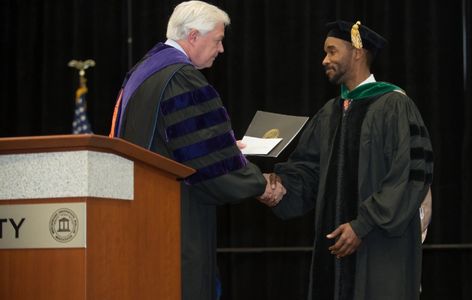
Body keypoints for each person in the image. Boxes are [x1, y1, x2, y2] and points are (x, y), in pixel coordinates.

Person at [109, 2, 282, 299]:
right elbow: (204, 160)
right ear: (192, 36)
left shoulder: (142, 72)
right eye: (217, 39)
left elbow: (180, 142)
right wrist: (257, 184)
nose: (222, 49)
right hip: (175, 219)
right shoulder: (181, 79)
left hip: (142, 213)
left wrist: (225, 146)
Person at [262, 20, 434, 299]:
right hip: (335, 252)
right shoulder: (330, 113)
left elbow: (408, 175)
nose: (324, 60)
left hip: (380, 247)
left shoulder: (395, 105)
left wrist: (362, 224)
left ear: (357, 51)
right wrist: (276, 188)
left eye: (332, 51)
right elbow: (308, 172)